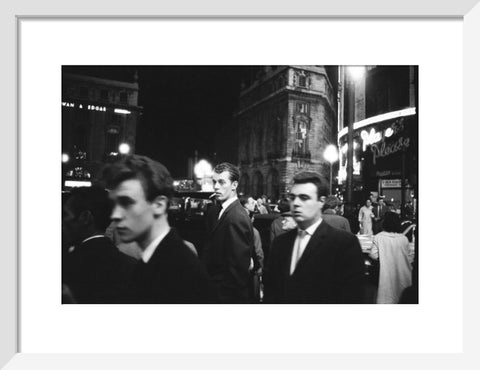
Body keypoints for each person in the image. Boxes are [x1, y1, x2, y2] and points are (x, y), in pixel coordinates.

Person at [103, 155, 212, 303]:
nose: (115, 214)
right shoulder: (158, 259)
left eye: (127, 203)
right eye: (114, 204)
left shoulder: (180, 271)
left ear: (159, 205)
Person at [264, 171, 365, 303]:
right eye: (292, 197)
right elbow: (272, 292)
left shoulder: (344, 244)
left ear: (321, 201)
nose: (296, 203)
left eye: (304, 197)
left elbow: (351, 298)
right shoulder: (280, 243)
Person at [62, 186, 136, 303]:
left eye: (65, 214)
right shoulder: (131, 265)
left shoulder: (68, 264)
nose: (62, 221)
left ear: (85, 217)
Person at [202, 162, 254, 303]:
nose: (216, 186)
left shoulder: (237, 217)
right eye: (214, 182)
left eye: (222, 182)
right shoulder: (219, 210)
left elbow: (237, 271)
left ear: (234, 185)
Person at [369, 211, 414, 304]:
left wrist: (384, 257)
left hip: (386, 274)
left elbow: (373, 254)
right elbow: (410, 257)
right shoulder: (403, 238)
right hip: (404, 274)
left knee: (387, 298)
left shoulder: (379, 237)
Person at [240, 196, 264, 302]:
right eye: (251, 202)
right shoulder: (254, 231)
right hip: (251, 271)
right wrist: (260, 267)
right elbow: (258, 252)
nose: (254, 204)